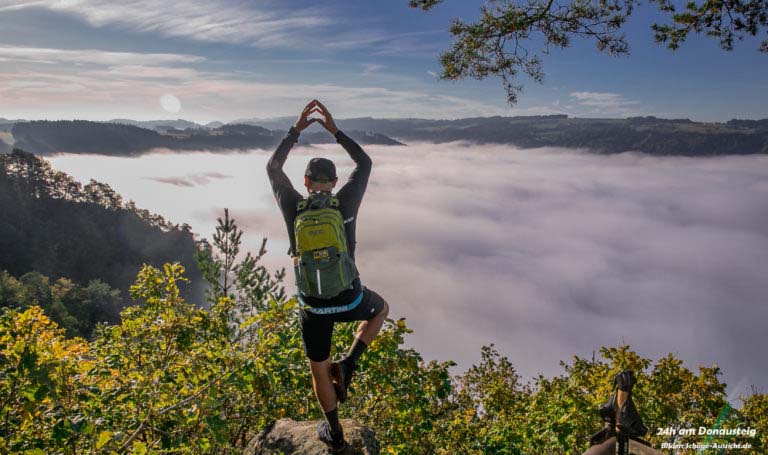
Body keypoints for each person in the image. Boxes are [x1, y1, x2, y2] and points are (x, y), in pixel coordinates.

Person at [266, 99, 390, 452]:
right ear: (335, 182)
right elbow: (364, 163)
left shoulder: (293, 206)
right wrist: (334, 130)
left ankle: (334, 433)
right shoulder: (346, 201)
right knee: (381, 310)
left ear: (305, 181)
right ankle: (349, 364)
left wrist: (297, 130)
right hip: (349, 297)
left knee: (317, 369)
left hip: (313, 306)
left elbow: (273, 167)